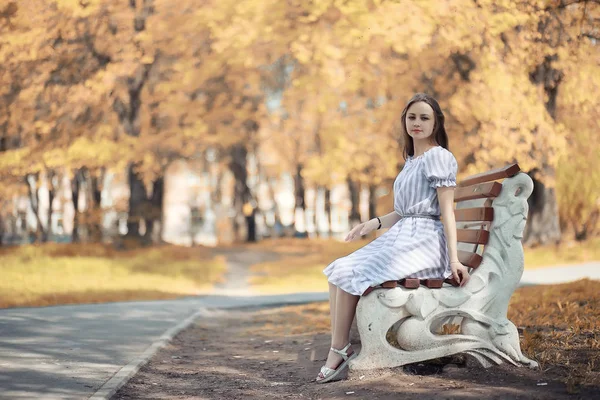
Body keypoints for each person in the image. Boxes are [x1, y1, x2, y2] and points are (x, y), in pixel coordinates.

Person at [316, 93, 471, 383]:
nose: (417, 123)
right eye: (412, 117)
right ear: (405, 121)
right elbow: (402, 212)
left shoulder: (439, 157)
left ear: (436, 123)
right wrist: (371, 224)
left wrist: (454, 260)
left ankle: (338, 351)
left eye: (425, 117)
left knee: (352, 271)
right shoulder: (412, 161)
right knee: (338, 269)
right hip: (404, 235)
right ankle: (340, 345)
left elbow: (446, 212)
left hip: (424, 243)